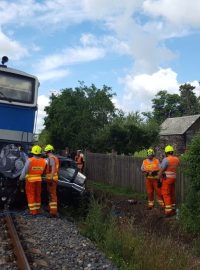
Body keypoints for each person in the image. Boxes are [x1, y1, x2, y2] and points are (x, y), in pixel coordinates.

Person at [19, 145, 46, 215]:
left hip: (30, 180)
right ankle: (37, 209)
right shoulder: (44, 161)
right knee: (38, 194)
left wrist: (21, 178)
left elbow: (25, 171)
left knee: (31, 194)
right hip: (39, 180)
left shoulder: (30, 160)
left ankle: (33, 211)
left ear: (33, 152)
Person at [158, 145, 180, 217]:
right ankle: (173, 209)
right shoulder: (177, 159)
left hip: (167, 179)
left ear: (166, 152)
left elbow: (161, 170)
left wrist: (159, 178)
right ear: (172, 152)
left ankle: (168, 212)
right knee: (172, 194)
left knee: (166, 194)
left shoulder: (166, 159)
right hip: (173, 179)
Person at [44, 144, 59, 217]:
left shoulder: (51, 158)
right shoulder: (54, 157)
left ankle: (53, 212)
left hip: (52, 179)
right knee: (50, 194)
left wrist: (50, 178)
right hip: (53, 179)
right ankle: (50, 208)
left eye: (45, 152)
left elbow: (53, 169)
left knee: (52, 195)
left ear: (47, 151)